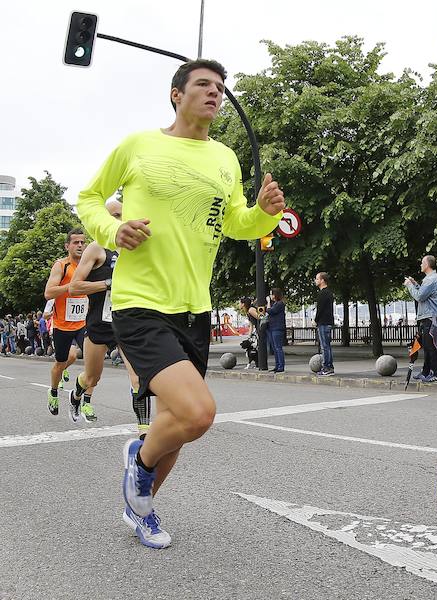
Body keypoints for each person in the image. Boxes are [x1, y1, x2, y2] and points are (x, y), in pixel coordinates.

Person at [77, 58, 284, 549]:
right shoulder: (140, 145)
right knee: (197, 414)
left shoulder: (225, 159)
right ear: (177, 94)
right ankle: (140, 462)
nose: (215, 93)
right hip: (141, 303)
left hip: (194, 307)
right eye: (204, 85)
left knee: (175, 420)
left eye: (220, 87)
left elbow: (236, 222)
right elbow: (89, 197)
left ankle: (141, 506)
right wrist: (112, 229)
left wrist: (265, 214)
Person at [68, 198, 145, 425]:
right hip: (99, 323)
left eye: (122, 215)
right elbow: (74, 287)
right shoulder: (96, 248)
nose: (119, 221)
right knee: (92, 377)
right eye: (113, 216)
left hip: (127, 321)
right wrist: (108, 284)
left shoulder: (134, 248)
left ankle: (144, 431)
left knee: (138, 378)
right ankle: (76, 396)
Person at [43, 228, 88, 414]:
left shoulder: (89, 265)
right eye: (75, 242)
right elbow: (48, 293)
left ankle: (80, 397)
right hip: (62, 324)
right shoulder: (61, 266)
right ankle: (53, 392)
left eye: (82, 242)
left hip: (83, 323)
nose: (79, 245)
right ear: (67, 246)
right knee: (61, 362)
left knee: (94, 364)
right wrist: (71, 287)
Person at [404, 255, 437, 383]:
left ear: (427, 264)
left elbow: (420, 297)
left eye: (422, 263)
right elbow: (424, 294)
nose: (421, 265)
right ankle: (426, 371)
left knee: (431, 346)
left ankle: (436, 374)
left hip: (431, 317)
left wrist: (410, 285)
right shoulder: (430, 279)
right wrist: (416, 284)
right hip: (429, 317)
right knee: (427, 346)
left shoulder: (431, 279)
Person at [314, 272, 335, 376]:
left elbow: (320, 309)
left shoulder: (322, 293)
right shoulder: (329, 293)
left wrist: (316, 320)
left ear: (322, 280)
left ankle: (326, 367)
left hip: (323, 322)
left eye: (317, 279)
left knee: (324, 346)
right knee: (327, 346)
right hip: (328, 321)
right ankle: (329, 366)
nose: (315, 280)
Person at [266, 288, 286, 373]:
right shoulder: (276, 304)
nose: (270, 296)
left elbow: (270, 311)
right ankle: (277, 365)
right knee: (274, 348)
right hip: (272, 327)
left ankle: (281, 366)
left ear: (275, 295)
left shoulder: (279, 304)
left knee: (278, 348)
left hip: (277, 328)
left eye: (272, 294)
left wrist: (268, 302)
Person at [238, 296, 259, 369]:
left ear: (243, 304)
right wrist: (249, 336)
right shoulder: (248, 311)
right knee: (257, 347)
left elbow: (260, 317)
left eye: (240, 303)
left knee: (259, 347)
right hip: (257, 330)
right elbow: (251, 325)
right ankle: (258, 364)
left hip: (260, 330)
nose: (239, 305)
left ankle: (260, 364)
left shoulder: (251, 310)